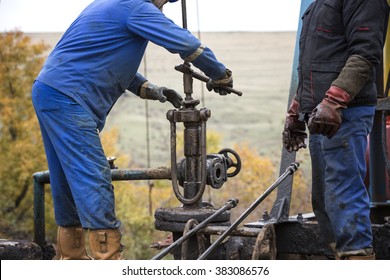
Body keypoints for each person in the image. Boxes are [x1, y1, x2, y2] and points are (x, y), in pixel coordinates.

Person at [31, 0, 233, 260]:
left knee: (66, 179)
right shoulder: (137, 7)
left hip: (49, 90)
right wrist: (220, 73)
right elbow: (187, 45)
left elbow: (107, 60)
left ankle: (71, 257)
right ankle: (109, 260)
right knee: (93, 176)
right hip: (68, 97)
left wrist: (152, 90)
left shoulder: (111, 4)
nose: (163, 6)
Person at [282, 0, 389, 260]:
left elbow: (365, 54)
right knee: (325, 198)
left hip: (344, 113)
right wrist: (297, 109)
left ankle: (358, 258)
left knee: (343, 189)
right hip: (321, 113)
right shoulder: (318, 4)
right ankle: (338, 257)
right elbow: (314, 63)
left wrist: (333, 101)